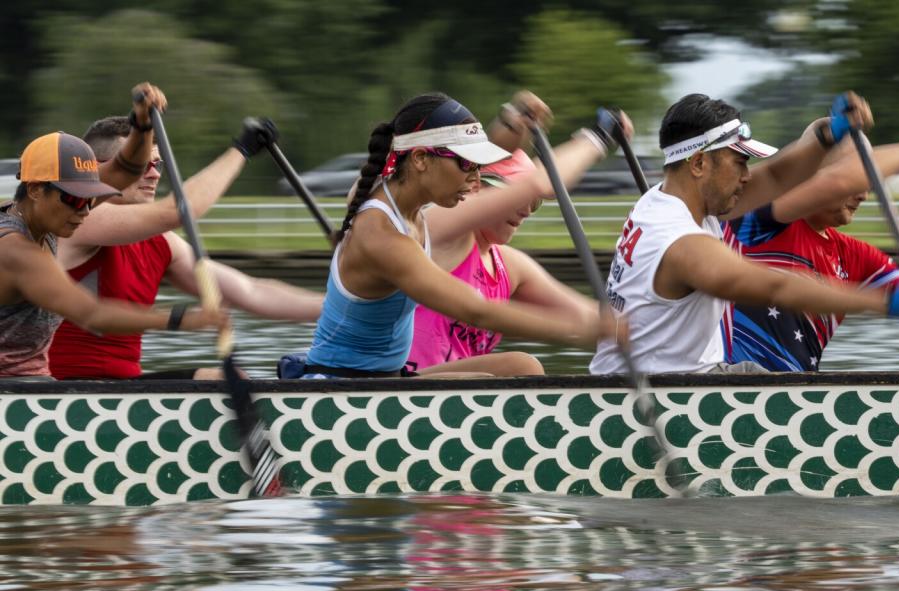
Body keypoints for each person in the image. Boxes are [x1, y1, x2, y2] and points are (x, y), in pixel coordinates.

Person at [590, 92, 899, 376]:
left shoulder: (669, 200)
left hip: (675, 381)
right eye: (740, 163)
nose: (748, 176)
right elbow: (778, 287)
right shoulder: (681, 241)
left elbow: (777, 176)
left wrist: (829, 133)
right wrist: (885, 303)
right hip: (664, 397)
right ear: (699, 163)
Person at [301, 92, 618, 379]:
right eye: (468, 165)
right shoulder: (382, 235)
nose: (475, 180)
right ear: (421, 159)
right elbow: (476, 311)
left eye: (479, 166)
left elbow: (448, 158)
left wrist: (512, 118)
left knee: (522, 367)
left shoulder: (407, 204)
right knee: (496, 379)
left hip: (387, 380)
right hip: (341, 389)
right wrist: (582, 329)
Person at [49, 116, 325, 380]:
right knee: (220, 383)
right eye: (141, 165)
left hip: (121, 388)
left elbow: (251, 292)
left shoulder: (162, 243)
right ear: (103, 170)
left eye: (158, 164)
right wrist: (240, 150)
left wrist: (339, 308)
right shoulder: (79, 220)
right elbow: (180, 209)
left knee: (229, 378)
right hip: (63, 391)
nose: (154, 174)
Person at [722, 107, 899, 371]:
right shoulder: (757, 223)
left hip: (793, 394)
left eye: (867, 184)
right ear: (810, 175)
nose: (863, 195)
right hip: (733, 385)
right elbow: (837, 183)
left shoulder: (856, 255)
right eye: (860, 179)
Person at [408, 102, 633, 376]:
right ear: (479, 190)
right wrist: (598, 137)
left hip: (454, 395)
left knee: (520, 367)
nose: (527, 210)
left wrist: (634, 325)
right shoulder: (439, 230)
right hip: (400, 389)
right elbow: (540, 182)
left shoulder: (511, 267)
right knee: (521, 366)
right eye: (517, 198)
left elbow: (587, 316)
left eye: (534, 203)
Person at [0, 131, 225, 379]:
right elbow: (92, 314)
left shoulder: (47, 214)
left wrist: (142, 125)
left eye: (91, 198)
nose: (86, 211)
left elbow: (125, 170)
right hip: (14, 396)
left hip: (36, 387)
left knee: (216, 378)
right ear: (35, 189)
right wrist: (180, 320)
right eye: (75, 199)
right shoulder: (15, 250)